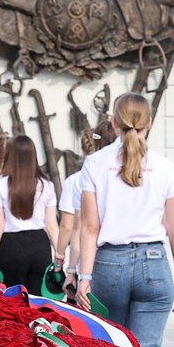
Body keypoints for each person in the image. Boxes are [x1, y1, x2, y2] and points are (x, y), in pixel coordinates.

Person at [76, 93, 174, 347]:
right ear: (149, 122)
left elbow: (90, 227)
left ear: (113, 122)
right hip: (154, 263)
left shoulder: (94, 164)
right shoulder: (166, 168)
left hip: (108, 264)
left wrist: (84, 277)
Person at [0, 135, 59, 296]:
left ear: (11, 156)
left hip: (10, 246)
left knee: (12, 300)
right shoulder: (47, 185)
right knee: (37, 300)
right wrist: (60, 254)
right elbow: (52, 225)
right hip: (39, 245)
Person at [58, 122, 115, 304]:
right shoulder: (136, 171)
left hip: (92, 258)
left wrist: (72, 269)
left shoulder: (78, 179)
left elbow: (77, 227)